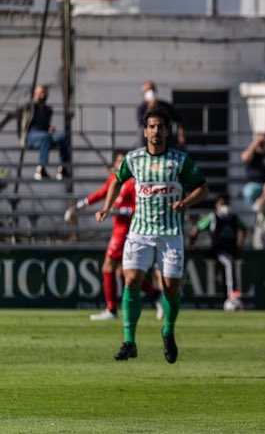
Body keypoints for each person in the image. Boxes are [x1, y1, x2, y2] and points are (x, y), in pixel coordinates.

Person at [96, 107, 208, 363]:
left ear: (167, 131)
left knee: (170, 288)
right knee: (131, 279)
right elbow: (116, 180)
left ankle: (168, 331)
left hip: (170, 233)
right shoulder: (134, 159)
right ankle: (129, 341)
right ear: (145, 131)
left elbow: (203, 188)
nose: (156, 131)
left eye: (160, 127)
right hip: (140, 232)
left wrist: (187, 202)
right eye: (152, 126)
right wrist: (106, 207)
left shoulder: (179, 161)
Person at [65, 150, 162, 321]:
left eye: (123, 161)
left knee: (108, 266)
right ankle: (156, 295)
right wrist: (78, 207)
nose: (120, 164)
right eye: (118, 161)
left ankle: (111, 310)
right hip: (118, 229)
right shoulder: (114, 180)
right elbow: (101, 194)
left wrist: (119, 211)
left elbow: (139, 209)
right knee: (123, 274)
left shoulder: (134, 184)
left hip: (127, 230)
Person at [0, 85, 71, 180]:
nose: (43, 94)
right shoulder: (28, 105)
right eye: (41, 92)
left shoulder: (48, 109)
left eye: (45, 92)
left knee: (63, 136)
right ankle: (40, 169)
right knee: (45, 137)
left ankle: (62, 169)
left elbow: (45, 126)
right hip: (29, 136)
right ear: (35, 94)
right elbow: (10, 115)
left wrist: (49, 128)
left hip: (44, 135)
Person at [188, 193, 247, 303]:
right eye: (222, 203)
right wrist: (192, 243)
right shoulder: (213, 217)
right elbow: (197, 228)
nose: (225, 206)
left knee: (231, 263)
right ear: (217, 205)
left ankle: (231, 294)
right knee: (229, 263)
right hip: (219, 250)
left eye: (226, 203)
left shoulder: (234, 217)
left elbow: (244, 228)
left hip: (232, 250)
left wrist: (240, 242)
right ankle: (232, 293)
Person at [136, 81, 185, 149]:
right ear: (143, 93)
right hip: (148, 139)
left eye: (152, 89)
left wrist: (181, 136)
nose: (150, 92)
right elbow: (142, 125)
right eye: (148, 90)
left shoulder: (165, 105)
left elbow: (179, 119)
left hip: (166, 137)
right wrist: (150, 107)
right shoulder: (141, 108)